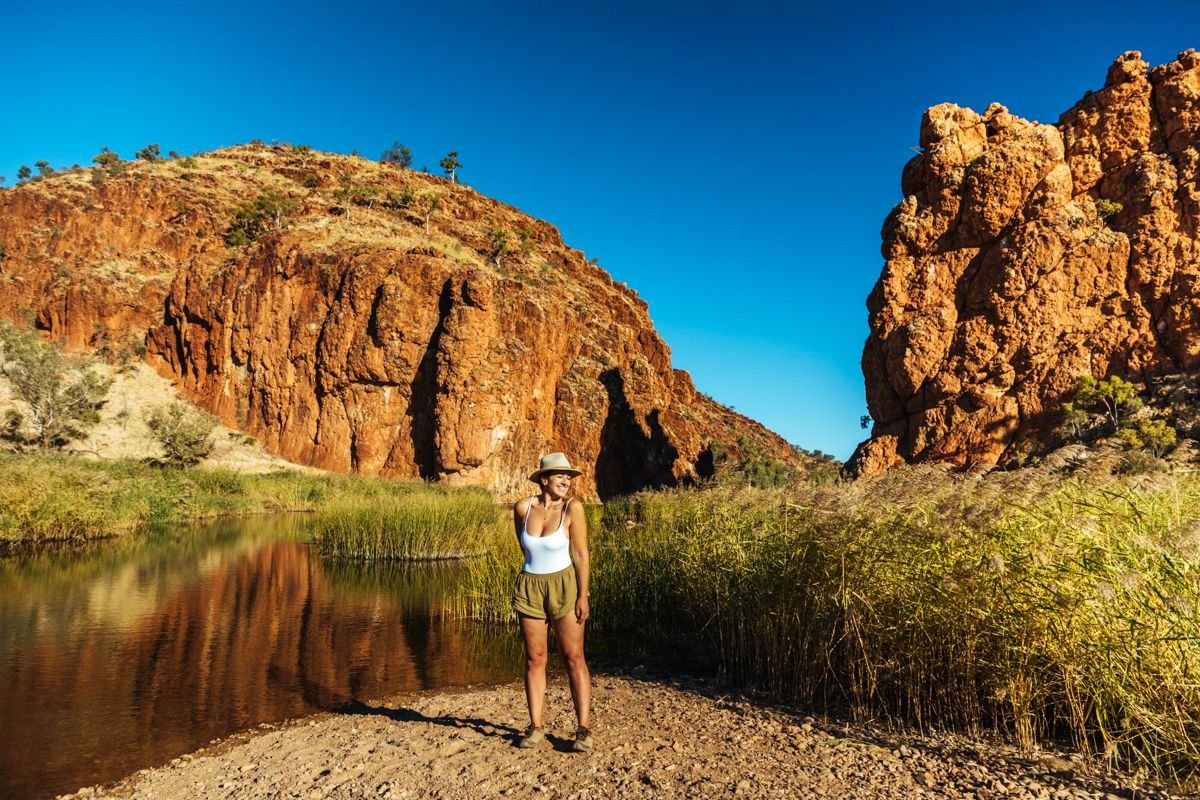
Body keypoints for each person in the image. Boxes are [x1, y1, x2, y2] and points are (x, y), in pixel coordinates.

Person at [512, 452, 593, 752]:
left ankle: (583, 730)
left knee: (574, 657)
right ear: (544, 479)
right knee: (535, 659)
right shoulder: (523, 507)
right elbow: (524, 549)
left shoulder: (574, 508)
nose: (566, 481)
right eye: (560, 475)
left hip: (564, 585)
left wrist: (582, 595)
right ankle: (536, 728)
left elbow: (581, 555)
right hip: (530, 586)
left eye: (568, 476)